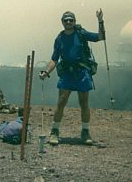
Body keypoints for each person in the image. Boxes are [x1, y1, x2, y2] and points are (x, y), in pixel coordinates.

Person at [39, 9, 105, 145]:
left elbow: (100, 37)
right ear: (62, 22)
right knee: (61, 101)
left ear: (74, 21)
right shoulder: (59, 38)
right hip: (67, 73)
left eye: (71, 20)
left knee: (83, 102)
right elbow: (54, 59)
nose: (68, 22)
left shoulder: (81, 34)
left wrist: (100, 21)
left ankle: (85, 132)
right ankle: (55, 131)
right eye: (66, 20)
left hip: (82, 72)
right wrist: (46, 72)